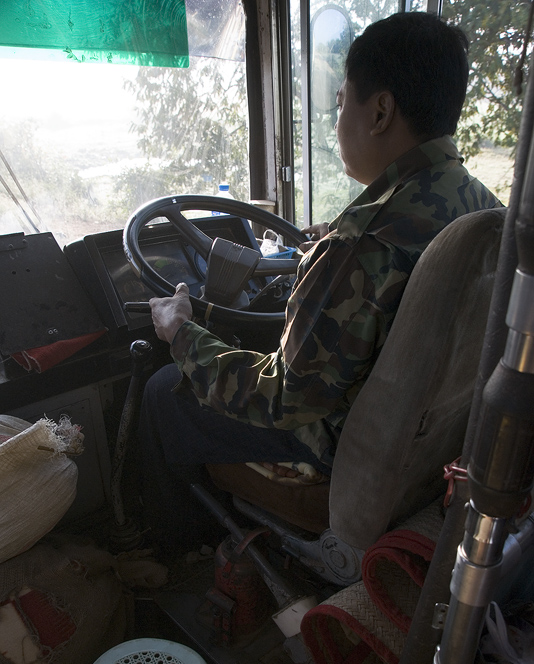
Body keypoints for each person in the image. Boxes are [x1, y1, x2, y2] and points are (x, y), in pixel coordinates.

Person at [140, 11, 501, 552]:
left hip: (339, 442)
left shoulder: (361, 243)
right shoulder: (482, 209)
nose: (336, 124)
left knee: (163, 389)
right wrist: (324, 250)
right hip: (427, 440)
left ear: (380, 111)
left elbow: (285, 396)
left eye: (340, 105)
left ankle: (171, 550)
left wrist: (183, 333)